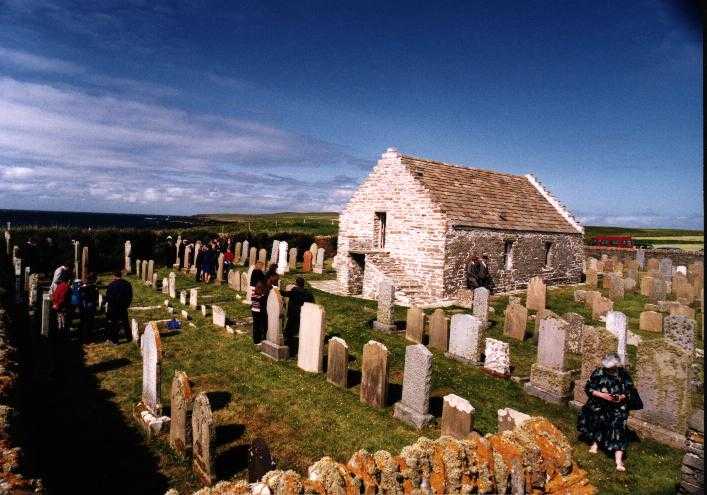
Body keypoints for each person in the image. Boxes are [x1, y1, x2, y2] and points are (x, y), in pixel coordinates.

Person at [577, 352, 641, 472]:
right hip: (600, 404)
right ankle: (596, 444)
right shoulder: (598, 372)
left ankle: (618, 460)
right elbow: (588, 388)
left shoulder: (623, 374)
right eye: (607, 368)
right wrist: (602, 395)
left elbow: (630, 391)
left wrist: (620, 397)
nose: (609, 370)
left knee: (618, 427)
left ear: (616, 365)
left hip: (618, 406)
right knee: (598, 420)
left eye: (611, 368)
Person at [282, 277, 314, 350]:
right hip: (303, 313)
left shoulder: (294, 290)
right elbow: (312, 302)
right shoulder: (308, 293)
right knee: (298, 329)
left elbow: (286, 293)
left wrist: (276, 290)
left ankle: (288, 344)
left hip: (293, 313)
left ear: (296, 283)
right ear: (303, 284)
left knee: (289, 329)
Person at [102, 271, 133, 344]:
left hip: (113, 307)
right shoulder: (127, 284)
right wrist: (127, 304)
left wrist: (108, 304)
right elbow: (130, 296)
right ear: (121, 275)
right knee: (125, 322)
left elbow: (108, 297)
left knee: (114, 323)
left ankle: (115, 340)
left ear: (114, 276)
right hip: (123, 306)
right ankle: (129, 337)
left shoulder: (111, 285)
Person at [79, 273, 99, 342]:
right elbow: (96, 296)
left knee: (84, 322)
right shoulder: (93, 287)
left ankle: (84, 337)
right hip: (90, 305)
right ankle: (89, 337)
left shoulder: (82, 287)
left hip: (84, 305)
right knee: (90, 322)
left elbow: (81, 296)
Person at [51, 272, 71, 339]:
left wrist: (54, 303)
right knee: (64, 323)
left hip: (57, 307)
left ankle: (60, 336)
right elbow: (63, 298)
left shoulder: (59, 286)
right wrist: (58, 304)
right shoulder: (66, 287)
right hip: (62, 307)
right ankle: (63, 337)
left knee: (59, 322)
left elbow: (54, 295)